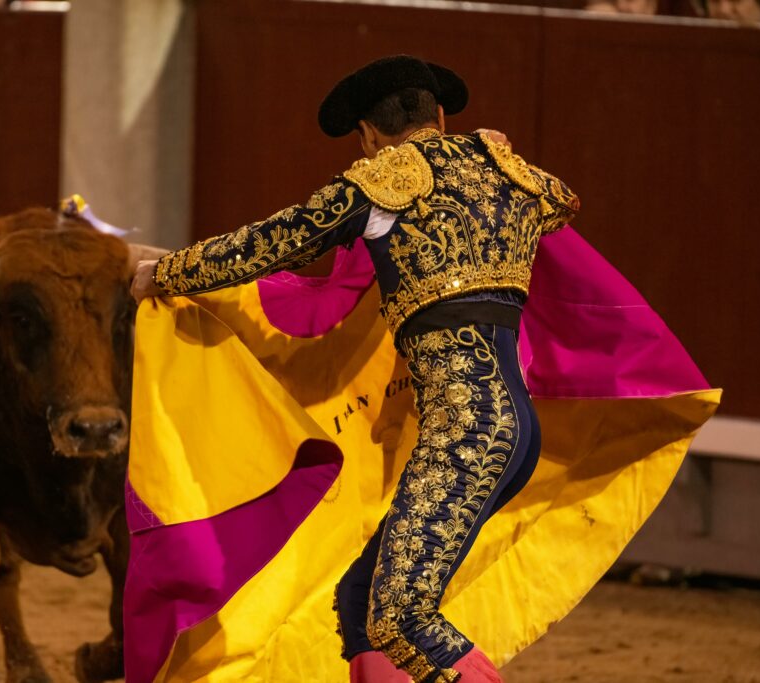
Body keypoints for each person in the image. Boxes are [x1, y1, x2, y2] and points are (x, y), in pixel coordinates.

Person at [131, 55, 578, 683]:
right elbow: (559, 203)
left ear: (368, 136)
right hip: (516, 429)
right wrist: (494, 154)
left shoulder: (379, 186)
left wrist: (168, 272)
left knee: (400, 617)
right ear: (440, 117)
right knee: (362, 602)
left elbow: (267, 244)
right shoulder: (505, 172)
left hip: (465, 435)